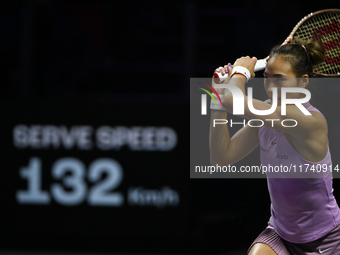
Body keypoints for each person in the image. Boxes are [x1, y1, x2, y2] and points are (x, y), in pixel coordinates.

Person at [210, 39, 340, 255]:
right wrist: (217, 97)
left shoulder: (311, 121)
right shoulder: (266, 117)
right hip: (280, 233)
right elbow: (221, 158)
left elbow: (235, 101)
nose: (270, 87)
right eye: (266, 78)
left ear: (303, 82)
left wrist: (240, 72)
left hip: (326, 240)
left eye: (279, 79)